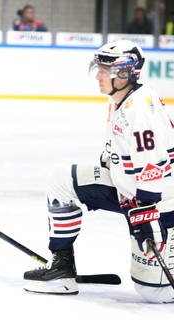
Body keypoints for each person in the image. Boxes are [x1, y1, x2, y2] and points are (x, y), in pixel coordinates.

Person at [23, 40, 174, 303]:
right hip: (127, 192)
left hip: (160, 202)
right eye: (99, 68)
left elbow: (154, 166)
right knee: (61, 180)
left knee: (156, 293)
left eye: (107, 70)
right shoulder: (120, 101)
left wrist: (147, 212)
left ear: (126, 73)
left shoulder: (141, 108)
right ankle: (62, 268)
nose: (99, 75)